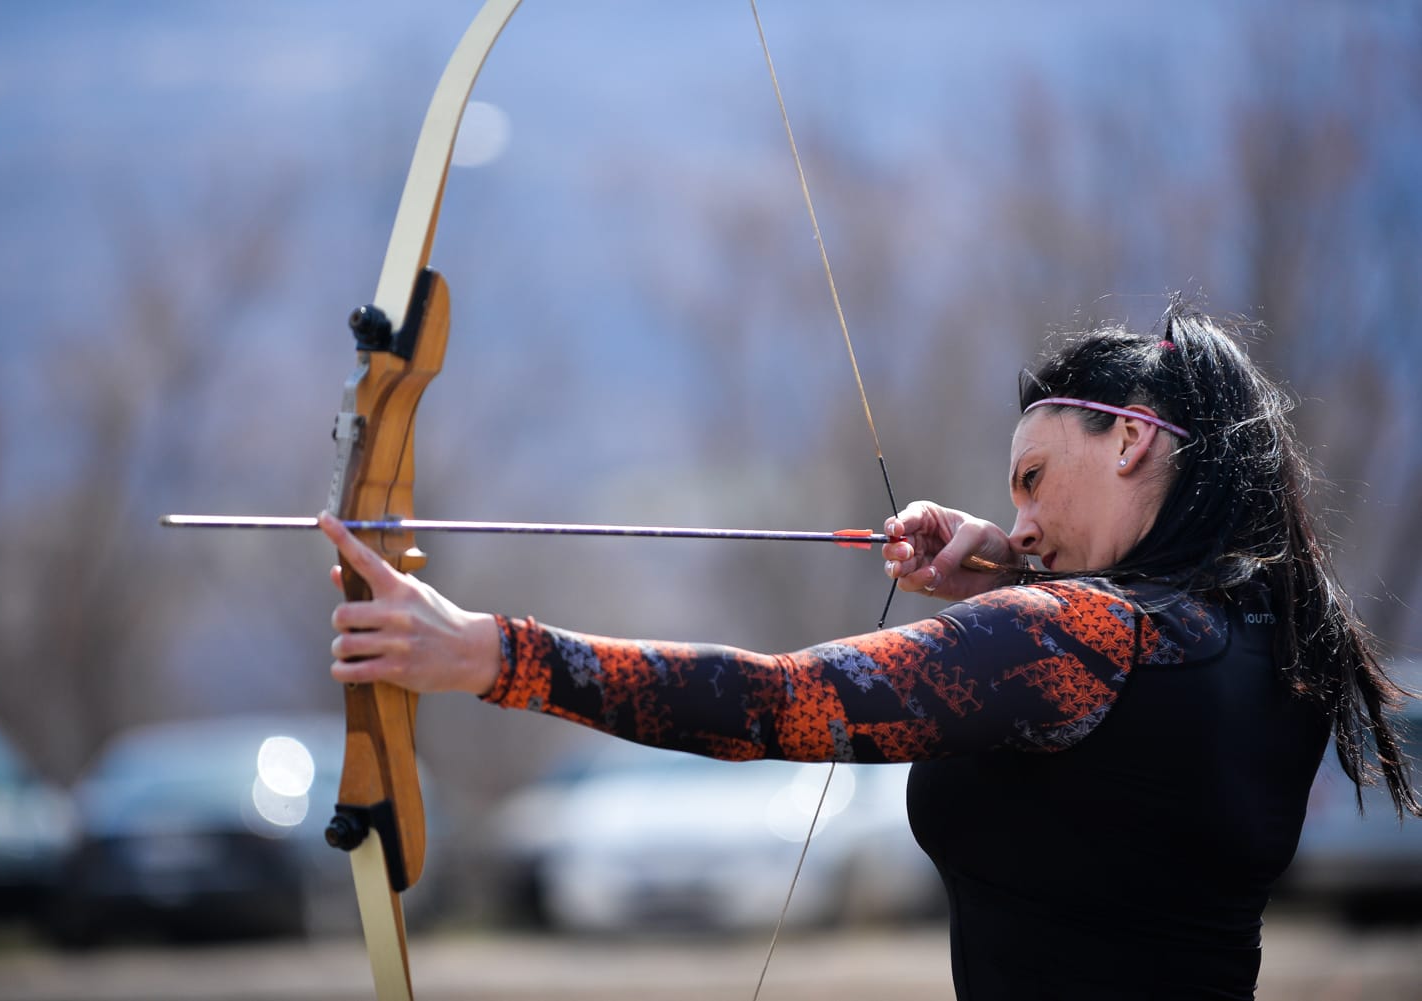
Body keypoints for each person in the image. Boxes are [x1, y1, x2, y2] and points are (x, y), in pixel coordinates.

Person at [320, 302, 1418, 1001]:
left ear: (1131, 435)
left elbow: (776, 701)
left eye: (1034, 480)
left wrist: (487, 652)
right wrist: (1013, 567)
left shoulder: (1081, 639)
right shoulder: (1275, 637)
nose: (1021, 520)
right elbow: (1135, 688)